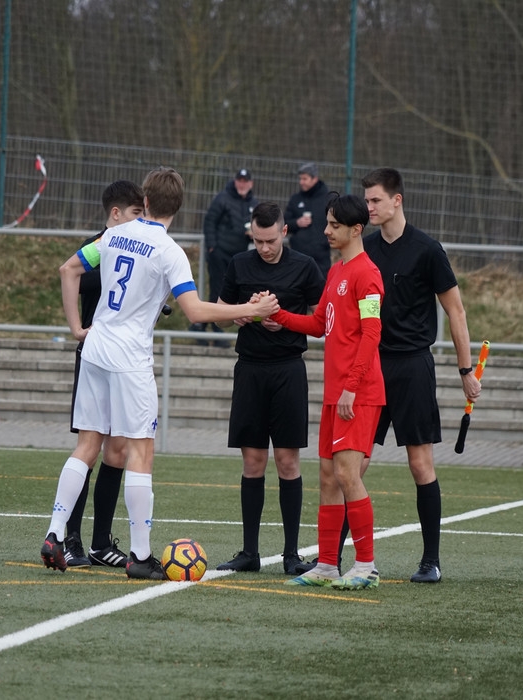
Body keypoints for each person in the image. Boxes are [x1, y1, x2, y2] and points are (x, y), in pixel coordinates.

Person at [41, 167, 279, 578]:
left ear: (146, 201)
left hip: (95, 350)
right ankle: (140, 556)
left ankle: (55, 533)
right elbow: (196, 311)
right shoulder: (170, 252)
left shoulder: (113, 235)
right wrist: (252, 310)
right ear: (179, 208)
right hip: (129, 359)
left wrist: (77, 328)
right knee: (141, 452)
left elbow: (69, 270)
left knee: (87, 446)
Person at [357, 167, 481, 584]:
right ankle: (337, 557)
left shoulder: (428, 250)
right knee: (353, 465)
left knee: (419, 463)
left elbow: (456, 312)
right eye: (366, 201)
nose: (369, 208)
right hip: (372, 366)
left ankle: (431, 561)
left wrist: (465, 371)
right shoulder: (364, 250)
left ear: (397, 200)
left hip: (413, 367)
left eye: (375, 200)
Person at [271, 193, 385, 591]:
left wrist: (352, 386)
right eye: (327, 223)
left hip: (359, 393)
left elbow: (372, 333)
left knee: (348, 475)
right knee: (327, 477)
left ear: (356, 229)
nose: (326, 231)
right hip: (336, 393)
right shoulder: (336, 270)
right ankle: (326, 565)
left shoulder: (367, 274)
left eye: (335, 225)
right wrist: (278, 316)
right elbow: (320, 323)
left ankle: (366, 565)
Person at [213, 202, 325, 575]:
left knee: (288, 462)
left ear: (284, 232)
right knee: (253, 462)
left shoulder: (305, 266)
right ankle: (250, 553)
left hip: (288, 370)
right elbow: (219, 314)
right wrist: (240, 314)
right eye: (258, 241)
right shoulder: (239, 264)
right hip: (250, 369)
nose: (264, 248)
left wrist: (286, 321)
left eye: (270, 240)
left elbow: (322, 319)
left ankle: (291, 555)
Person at [60, 180, 145, 569]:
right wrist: (77, 329)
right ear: (116, 213)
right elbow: (70, 273)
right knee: (90, 449)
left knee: (118, 451)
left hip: (123, 361)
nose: (140, 221)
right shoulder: (99, 247)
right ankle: (69, 539)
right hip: (95, 358)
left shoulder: (135, 247)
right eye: (135, 213)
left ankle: (99, 542)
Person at [192, 168, 258, 345]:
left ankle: (201, 327)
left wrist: (253, 234)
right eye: (240, 181)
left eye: (245, 181)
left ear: (251, 183)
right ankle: (216, 330)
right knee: (218, 292)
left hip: (238, 257)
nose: (242, 184)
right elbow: (209, 222)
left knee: (228, 293)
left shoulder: (253, 203)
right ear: (235, 181)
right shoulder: (222, 198)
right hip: (220, 254)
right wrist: (212, 247)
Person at [283, 162, 332, 278]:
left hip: (321, 258)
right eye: (300, 179)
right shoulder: (295, 199)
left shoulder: (328, 199)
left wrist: (325, 243)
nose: (301, 182)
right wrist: (297, 223)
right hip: (298, 256)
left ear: (314, 179)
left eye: (305, 179)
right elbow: (284, 224)